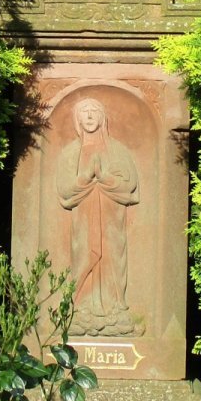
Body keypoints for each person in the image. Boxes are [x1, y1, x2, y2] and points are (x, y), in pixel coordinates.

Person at [56, 97, 140, 336]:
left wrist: (103, 177)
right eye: (85, 111)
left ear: (103, 117)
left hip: (112, 221)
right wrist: (85, 177)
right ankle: (81, 311)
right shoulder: (70, 153)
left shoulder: (117, 150)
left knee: (113, 260)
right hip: (83, 222)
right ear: (77, 119)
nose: (90, 115)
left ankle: (115, 310)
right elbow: (65, 189)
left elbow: (129, 184)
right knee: (84, 258)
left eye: (95, 111)